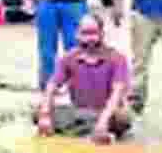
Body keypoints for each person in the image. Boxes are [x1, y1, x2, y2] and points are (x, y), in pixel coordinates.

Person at [36, 14, 133, 144]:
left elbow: (117, 93)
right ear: (77, 34)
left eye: (93, 33)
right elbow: (51, 86)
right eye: (85, 34)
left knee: (123, 118)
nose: (89, 39)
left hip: (107, 113)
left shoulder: (117, 58)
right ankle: (89, 131)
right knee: (37, 112)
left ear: (102, 34)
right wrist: (45, 114)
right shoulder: (68, 58)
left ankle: (86, 130)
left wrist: (103, 122)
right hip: (79, 113)